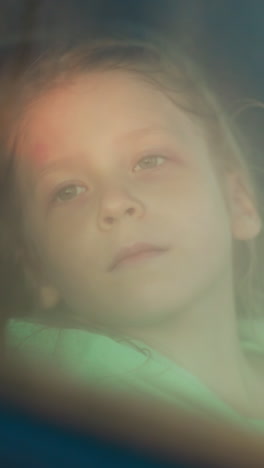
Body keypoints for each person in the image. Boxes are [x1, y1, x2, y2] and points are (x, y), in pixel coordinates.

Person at [2, 29, 264, 430]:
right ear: (38, 268)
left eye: (150, 161)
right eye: (68, 190)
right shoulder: (53, 408)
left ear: (239, 202)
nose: (114, 202)